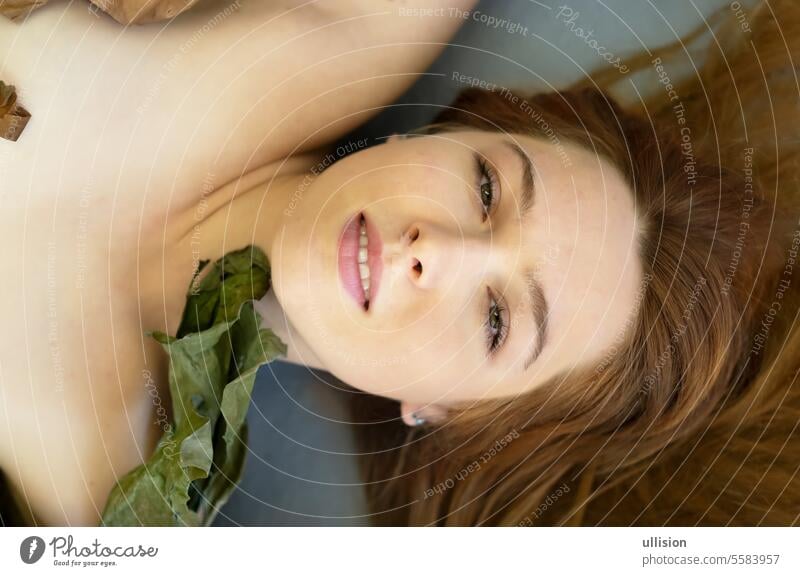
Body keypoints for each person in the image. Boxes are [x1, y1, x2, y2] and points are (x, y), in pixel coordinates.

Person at [1, 0, 798, 527]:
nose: (437, 251)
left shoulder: (90, 512)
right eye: (485, 187)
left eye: (496, 320)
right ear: (435, 135)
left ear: (439, 412)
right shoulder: (333, 29)